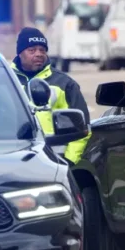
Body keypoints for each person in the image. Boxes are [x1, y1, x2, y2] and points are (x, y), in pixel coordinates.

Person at [10, 27, 91, 163]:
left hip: (54, 162)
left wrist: (69, 161)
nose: (39, 54)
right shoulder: (7, 81)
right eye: (32, 50)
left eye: (42, 50)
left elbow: (82, 128)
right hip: (12, 159)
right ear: (20, 53)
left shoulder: (65, 84)